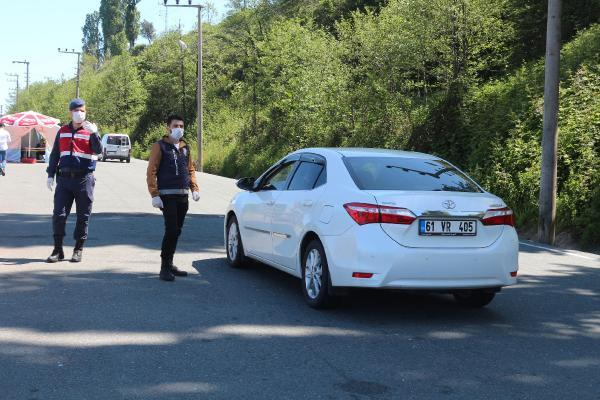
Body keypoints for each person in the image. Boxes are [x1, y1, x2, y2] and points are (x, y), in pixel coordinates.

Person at [46, 99, 102, 263]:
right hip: (64, 179)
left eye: (82, 110)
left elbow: (99, 151)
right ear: (71, 112)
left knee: (83, 215)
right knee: (59, 214)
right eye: (77, 110)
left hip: (84, 178)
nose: (80, 113)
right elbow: (56, 153)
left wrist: (95, 134)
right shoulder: (62, 130)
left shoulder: (90, 130)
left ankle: (78, 249)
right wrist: (50, 174)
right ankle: (58, 250)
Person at [146, 115, 200, 281]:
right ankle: (164, 267)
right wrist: (154, 194)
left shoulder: (185, 147)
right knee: (171, 230)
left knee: (177, 231)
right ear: (168, 127)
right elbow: (151, 171)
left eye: (182, 126)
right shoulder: (160, 146)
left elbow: (190, 169)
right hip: (167, 196)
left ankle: (170, 264)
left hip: (182, 196)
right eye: (175, 125)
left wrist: (194, 189)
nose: (179, 128)